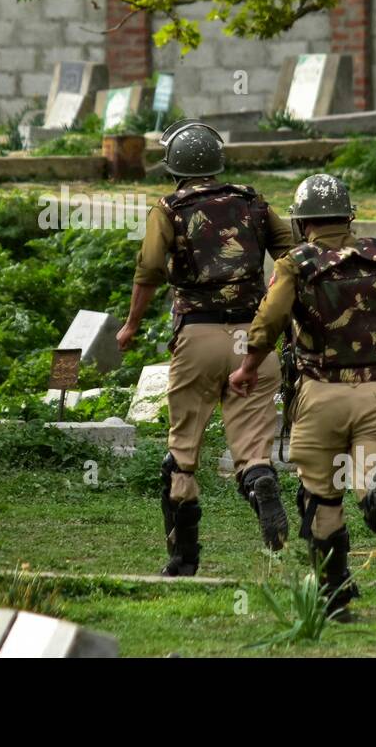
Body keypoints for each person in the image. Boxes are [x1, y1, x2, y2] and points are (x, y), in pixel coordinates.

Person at [228, 173, 376, 620]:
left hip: (319, 395)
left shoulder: (294, 264)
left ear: (302, 222)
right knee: (375, 468)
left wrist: (247, 369)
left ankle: (335, 598)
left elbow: (266, 327)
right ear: (349, 216)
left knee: (321, 497)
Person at [117, 120, 299, 577]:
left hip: (198, 337)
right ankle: (261, 485)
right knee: (253, 448)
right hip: (253, 342)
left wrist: (131, 325)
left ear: (174, 168)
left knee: (181, 455)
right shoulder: (252, 201)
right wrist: (277, 293)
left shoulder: (169, 208)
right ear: (218, 163)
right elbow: (293, 254)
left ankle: (183, 561)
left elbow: (150, 269)